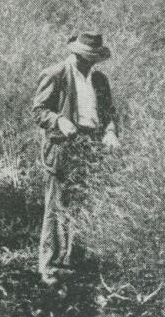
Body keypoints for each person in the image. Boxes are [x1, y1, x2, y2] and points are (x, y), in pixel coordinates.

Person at [32, 31, 120, 286]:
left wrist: (111, 131)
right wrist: (59, 120)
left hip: (91, 146)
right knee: (55, 206)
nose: (90, 61)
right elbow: (39, 111)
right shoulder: (56, 74)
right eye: (86, 57)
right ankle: (48, 268)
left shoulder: (100, 80)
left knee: (84, 205)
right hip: (62, 146)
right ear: (76, 53)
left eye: (93, 58)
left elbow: (109, 112)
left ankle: (73, 262)